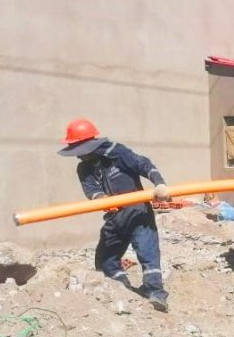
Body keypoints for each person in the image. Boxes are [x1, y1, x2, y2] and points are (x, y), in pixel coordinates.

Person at [58, 118, 171, 311]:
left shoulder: (117, 153)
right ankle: (123, 290)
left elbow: (143, 164)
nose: (77, 156)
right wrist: (101, 199)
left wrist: (159, 183)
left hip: (137, 212)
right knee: (105, 260)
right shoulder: (84, 168)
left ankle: (156, 294)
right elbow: (91, 189)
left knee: (148, 253)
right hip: (114, 218)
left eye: (78, 150)